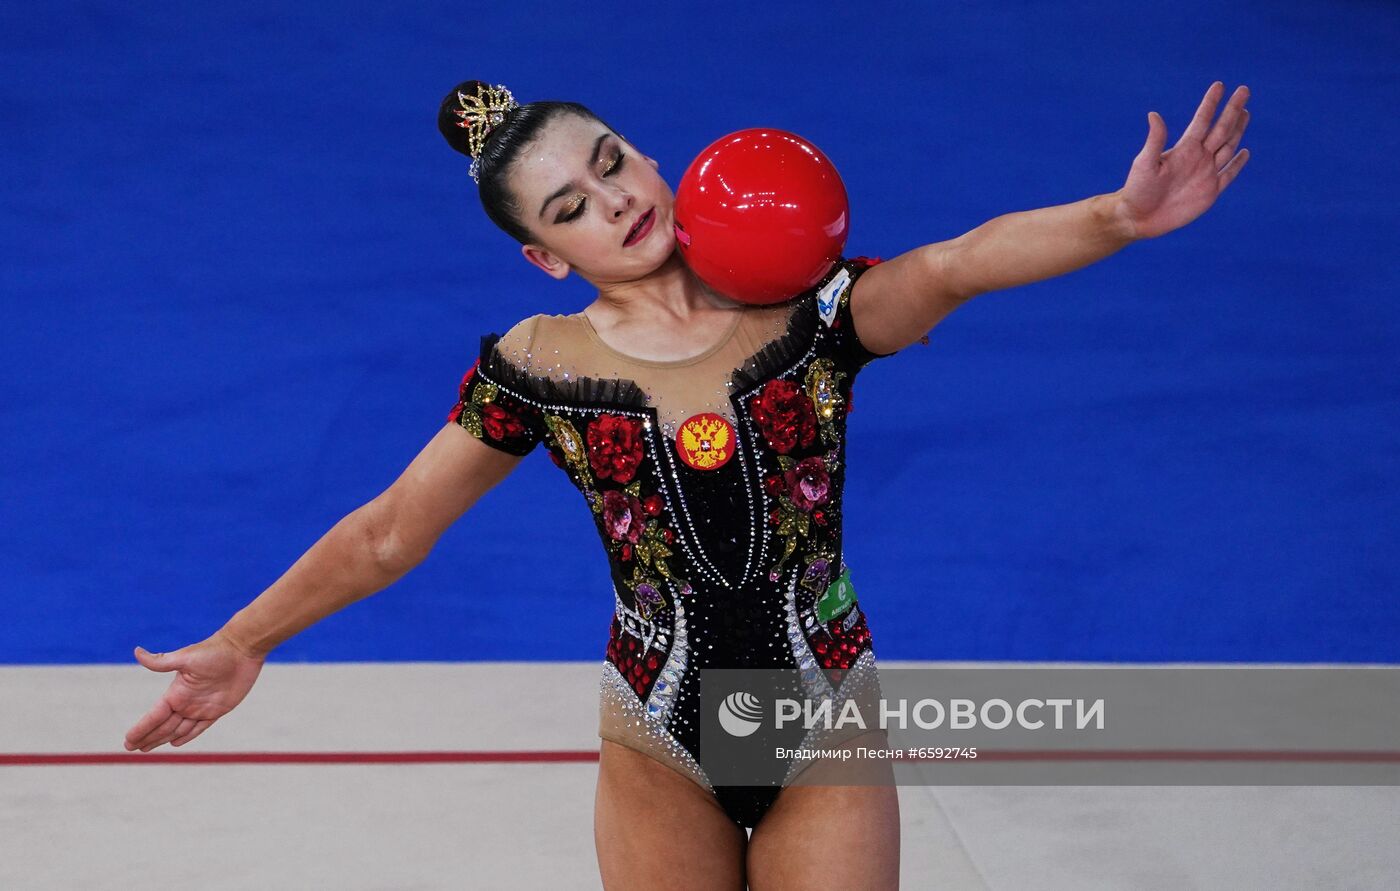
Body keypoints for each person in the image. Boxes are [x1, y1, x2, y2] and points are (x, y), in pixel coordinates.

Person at [124, 78, 1251, 889]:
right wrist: (247, 637)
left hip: (819, 724)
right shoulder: (538, 368)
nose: (610, 201)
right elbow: (388, 532)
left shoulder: (814, 316)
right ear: (545, 257)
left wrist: (1116, 218)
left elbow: (955, 265)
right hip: (658, 733)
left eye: (610, 162)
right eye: (568, 208)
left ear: (649, 157)